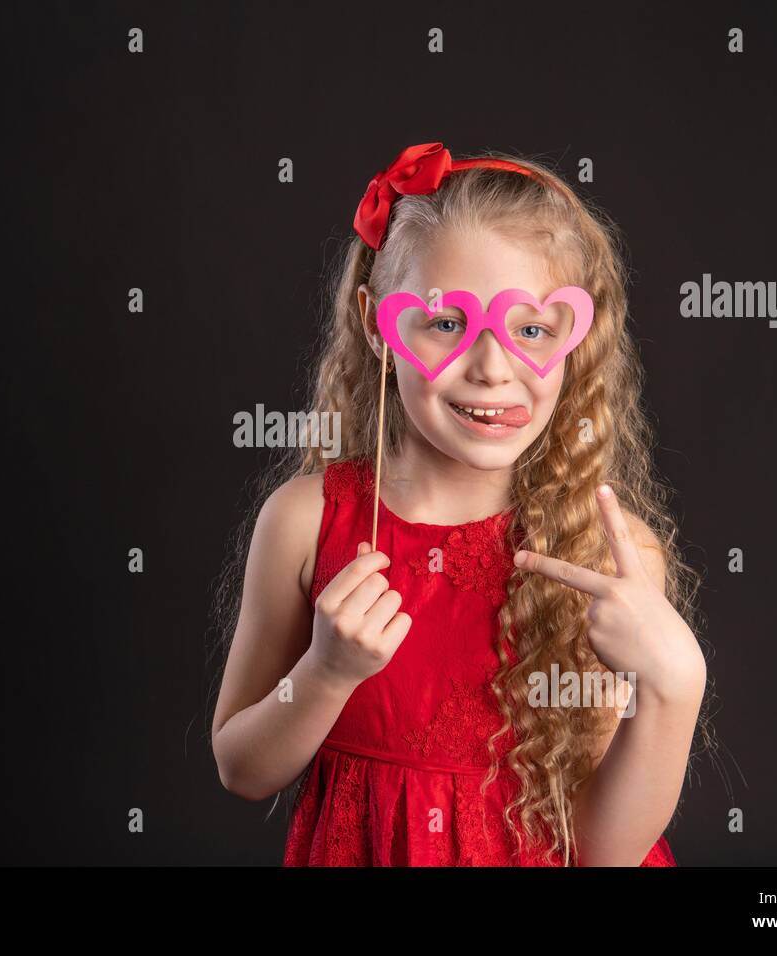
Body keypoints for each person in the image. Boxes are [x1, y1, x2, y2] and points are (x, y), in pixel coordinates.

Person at [209, 142, 709, 866]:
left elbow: (604, 853)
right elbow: (241, 769)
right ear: (380, 322)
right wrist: (326, 672)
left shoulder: (603, 556)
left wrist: (674, 688)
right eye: (446, 323)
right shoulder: (304, 521)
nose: (491, 368)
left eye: (531, 329)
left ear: (576, 336)